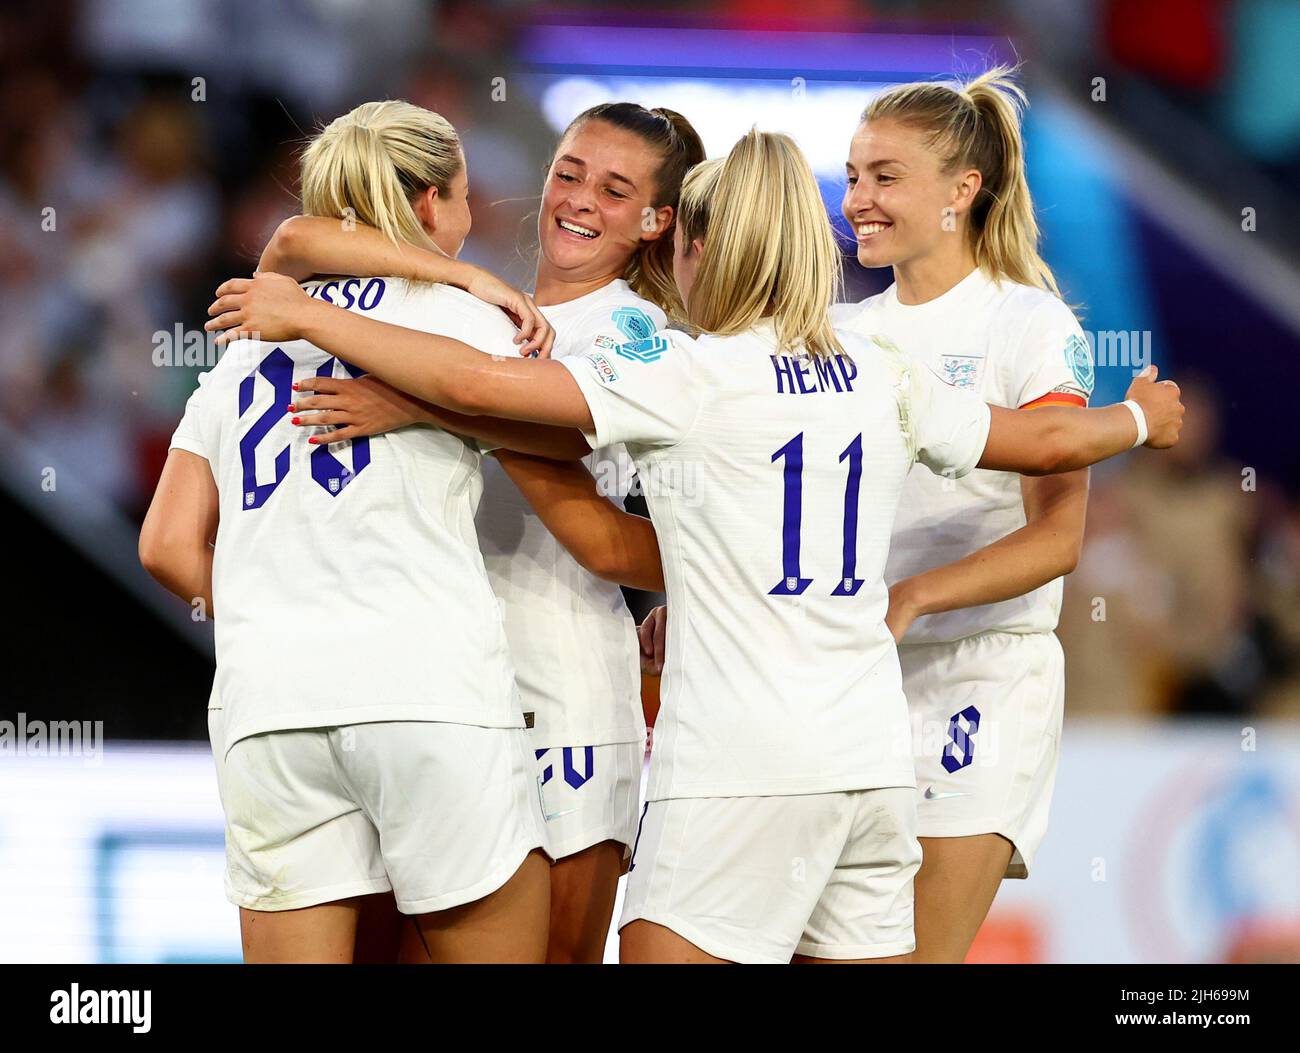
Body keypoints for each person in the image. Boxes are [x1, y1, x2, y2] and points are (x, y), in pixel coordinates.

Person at [203, 128, 1184, 964]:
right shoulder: (881, 368)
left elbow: (483, 390)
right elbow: (1044, 442)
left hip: (735, 764)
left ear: (695, 245)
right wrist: (1140, 419)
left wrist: (323, 326)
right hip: (870, 763)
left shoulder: (688, 374)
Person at [252, 101, 704, 963]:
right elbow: (299, 241)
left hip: (560, 688)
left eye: (615, 191)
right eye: (568, 173)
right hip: (436, 689)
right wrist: (462, 288)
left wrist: (425, 403)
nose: (579, 199)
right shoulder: (475, 313)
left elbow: (611, 532)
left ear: (655, 222)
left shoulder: (636, 334)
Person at [139, 99, 570, 963]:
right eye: (463, 195)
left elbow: (166, 545)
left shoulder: (247, 339)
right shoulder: (473, 320)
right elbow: (572, 434)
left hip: (270, 705)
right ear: (429, 203)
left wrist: (272, 607)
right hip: (428, 690)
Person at [832, 65, 1109, 961]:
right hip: (854, 677)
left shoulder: (1030, 325)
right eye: (854, 175)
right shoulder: (838, 333)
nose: (858, 199)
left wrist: (915, 595)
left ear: (962, 190)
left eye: (885, 176)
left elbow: (1058, 538)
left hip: (982, 677)